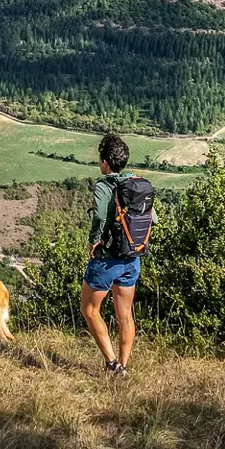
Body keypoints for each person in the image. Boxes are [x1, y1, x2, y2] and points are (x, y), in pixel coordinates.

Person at [80, 132, 155, 376]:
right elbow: (152, 218)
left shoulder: (105, 185)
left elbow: (100, 215)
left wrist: (94, 240)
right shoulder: (137, 184)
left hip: (107, 258)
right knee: (125, 314)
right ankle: (124, 365)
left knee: (90, 310)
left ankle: (111, 363)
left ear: (104, 162)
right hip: (132, 259)